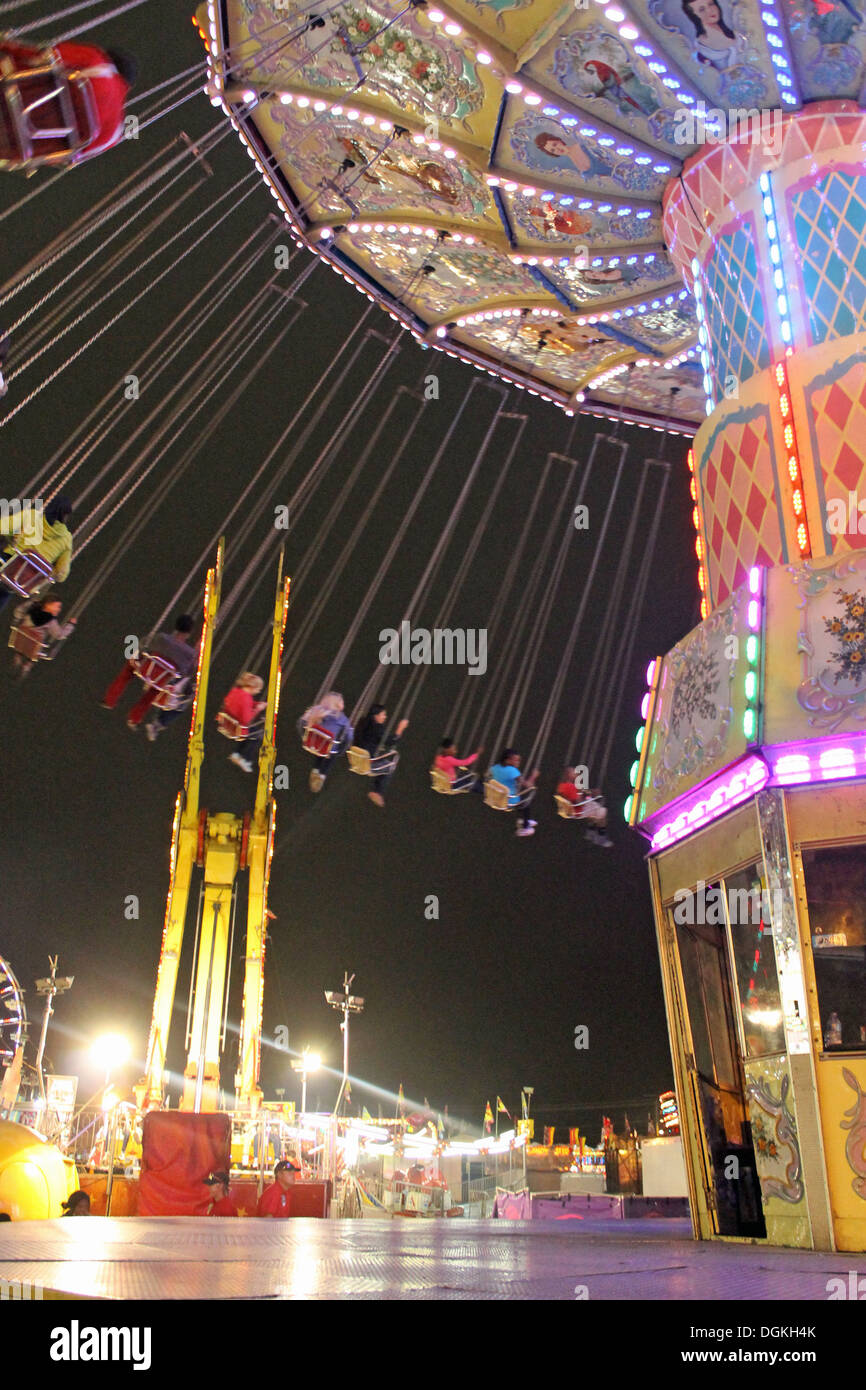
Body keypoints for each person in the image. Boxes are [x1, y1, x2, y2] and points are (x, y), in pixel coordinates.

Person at [0, 39, 137, 167]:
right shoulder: (114, 134)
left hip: (10, 98)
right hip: (11, 146)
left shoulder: (98, 62)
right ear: (127, 87)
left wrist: (8, 45)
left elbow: (40, 58)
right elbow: (63, 159)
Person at [101, 613, 197, 730]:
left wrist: (141, 653)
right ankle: (134, 718)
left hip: (146, 670)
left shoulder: (162, 638)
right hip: (161, 679)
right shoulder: (189, 654)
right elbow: (186, 672)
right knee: (153, 692)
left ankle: (110, 700)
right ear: (189, 633)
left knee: (128, 670)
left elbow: (143, 643)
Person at [0, 494, 74, 613]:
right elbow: (62, 574)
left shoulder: (33, 516)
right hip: (23, 581)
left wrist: (12, 538)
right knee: (5, 591)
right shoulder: (66, 539)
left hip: (7, 564)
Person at [354, 704, 408, 807]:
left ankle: (376, 790)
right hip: (367, 763)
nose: (385, 717)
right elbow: (391, 741)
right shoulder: (377, 728)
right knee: (390, 766)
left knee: (384, 760)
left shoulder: (363, 723)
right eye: (383, 714)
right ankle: (377, 791)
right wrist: (400, 729)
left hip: (356, 759)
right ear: (376, 716)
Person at [300, 691, 353, 792]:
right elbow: (349, 737)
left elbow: (302, 723)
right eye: (342, 702)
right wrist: (341, 751)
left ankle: (315, 770)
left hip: (315, 743)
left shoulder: (317, 711)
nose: (343, 705)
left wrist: (304, 736)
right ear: (338, 704)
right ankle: (322, 775)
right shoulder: (342, 719)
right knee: (332, 752)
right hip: (329, 747)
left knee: (321, 748)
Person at [9, 595, 76, 677]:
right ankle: (27, 665)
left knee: (25, 635)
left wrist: (30, 602)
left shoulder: (32, 609)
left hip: (19, 641)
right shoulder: (50, 621)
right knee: (37, 648)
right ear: (48, 604)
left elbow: (18, 613)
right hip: (33, 648)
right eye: (57, 606)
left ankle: (18, 657)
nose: (59, 610)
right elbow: (59, 635)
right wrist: (70, 624)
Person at [220, 672, 266, 772]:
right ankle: (245, 759)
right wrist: (258, 709)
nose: (258, 692)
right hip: (237, 728)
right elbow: (247, 719)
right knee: (258, 735)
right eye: (258, 689)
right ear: (252, 687)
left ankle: (237, 754)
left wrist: (257, 704)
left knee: (251, 733)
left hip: (228, 723)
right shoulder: (246, 698)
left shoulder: (236, 691)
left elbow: (246, 704)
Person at [487, 748, 539, 836]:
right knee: (526, 805)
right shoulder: (512, 771)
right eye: (516, 760)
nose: (518, 762)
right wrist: (534, 776)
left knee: (522, 806)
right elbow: (527, 785)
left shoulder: (494, 768)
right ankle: (525, 827)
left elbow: (488, 776)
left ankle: (524, 820)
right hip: (509, 801)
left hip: (496, 798)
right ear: (507, 760)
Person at [556, 767, 613, 847]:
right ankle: (601, 838)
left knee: (593, 806)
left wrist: (591, 792)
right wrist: (591, 796)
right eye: (573, 772)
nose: (576, 772)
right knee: (602, 813)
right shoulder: (570, 787)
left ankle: (590, 833)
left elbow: (582, 793)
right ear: (568, 775)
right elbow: (579, 801)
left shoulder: (561, 786)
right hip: (578, 810)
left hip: (572, 810)